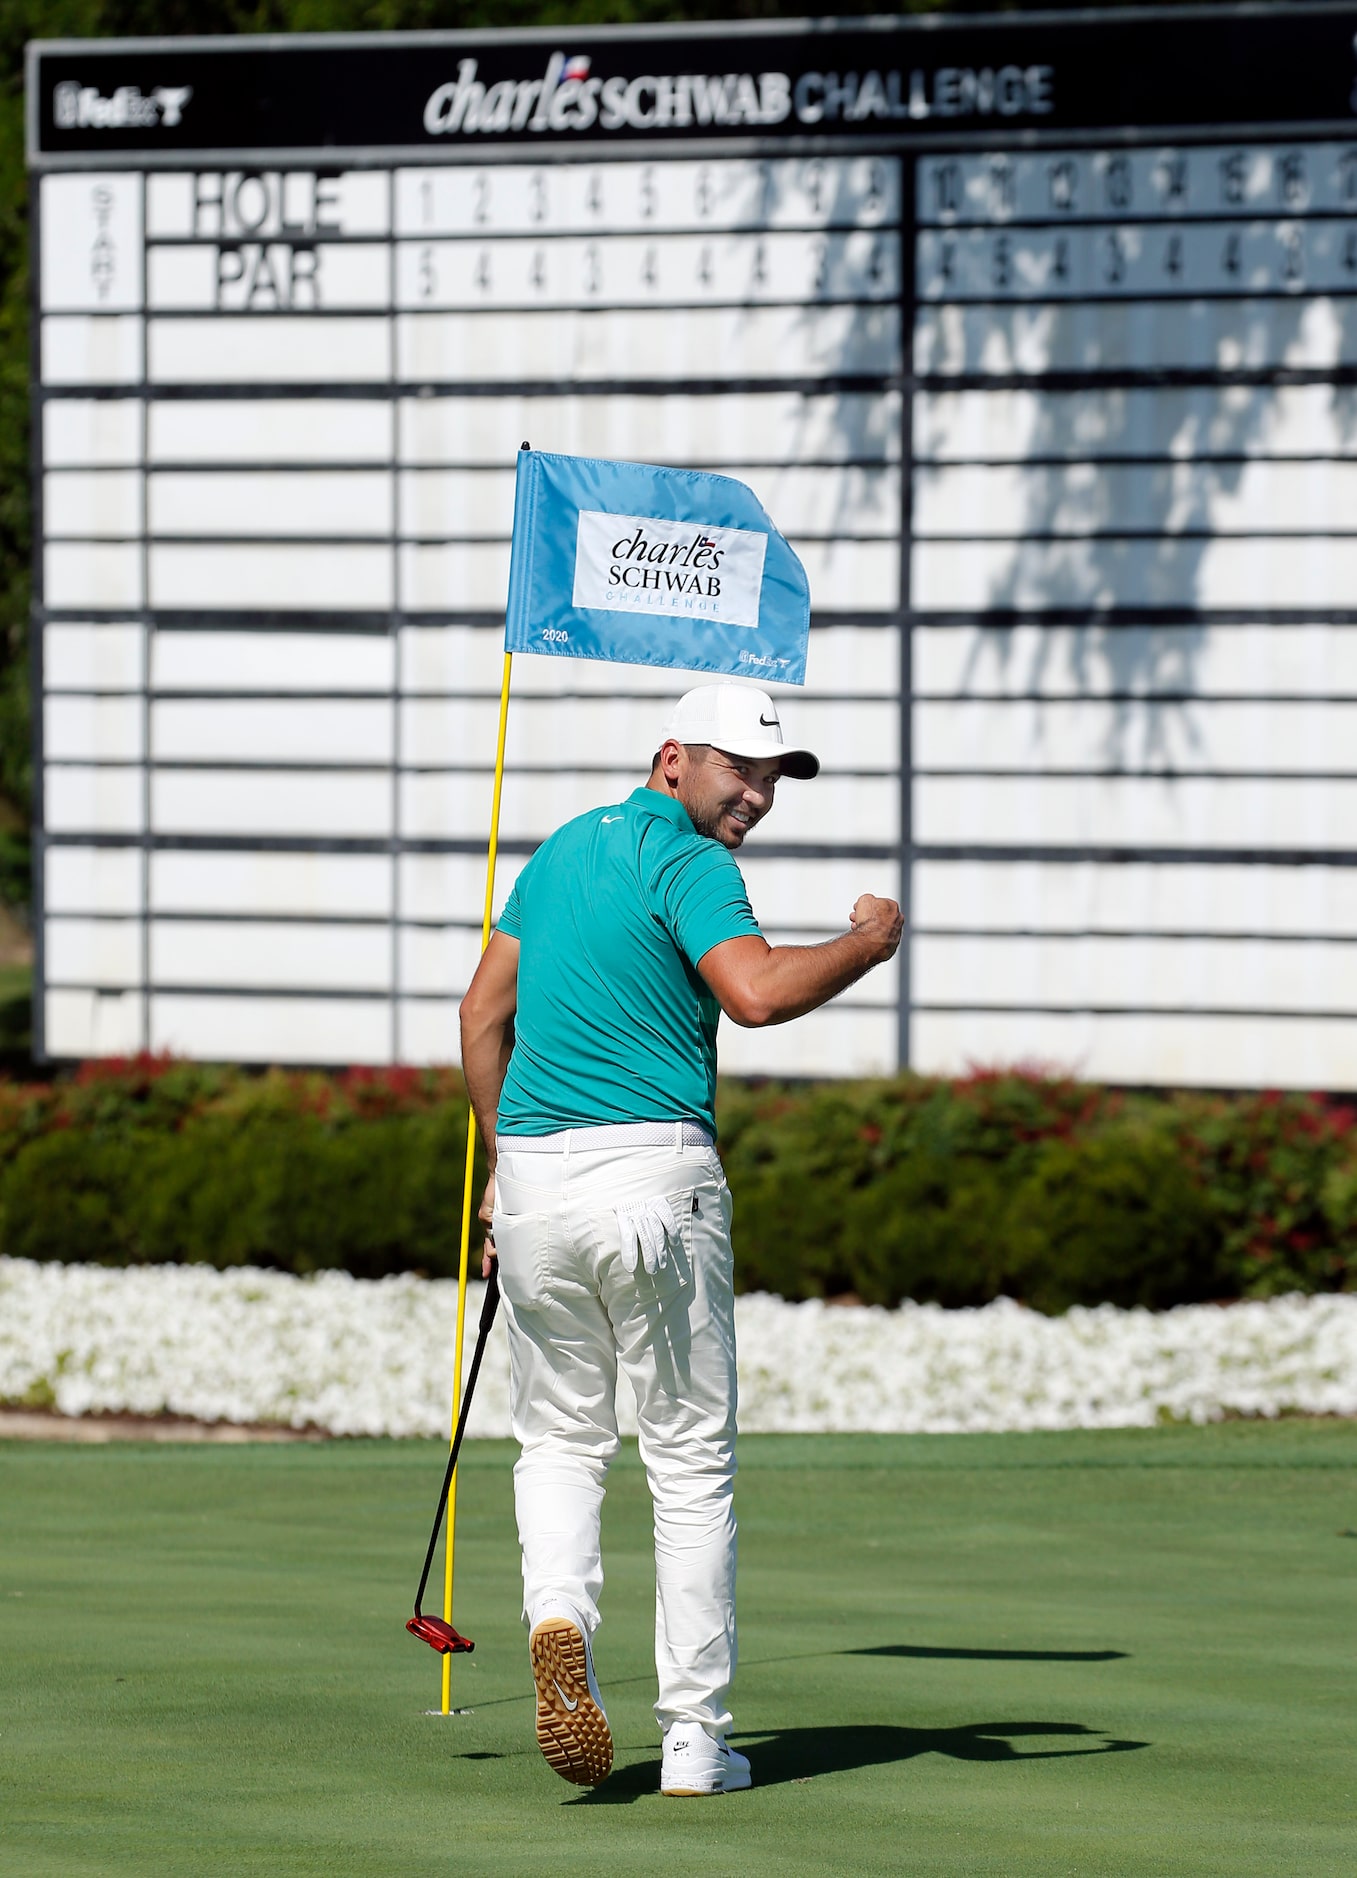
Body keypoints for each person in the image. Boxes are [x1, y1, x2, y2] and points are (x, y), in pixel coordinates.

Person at [458, 681, 902, 1797]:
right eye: (737, 770)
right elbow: (751, 996)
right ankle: (694, 1738)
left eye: (772, 777)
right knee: (687, 1459)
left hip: (536, 1184)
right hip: (651, 1176)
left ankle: (559, 1617)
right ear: (672, 761)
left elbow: (478, 1013)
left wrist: (501, 1166)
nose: (755, 794)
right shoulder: (694, 865)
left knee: (559, 1439)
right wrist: (866, 942)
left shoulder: (560, 850)